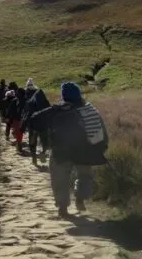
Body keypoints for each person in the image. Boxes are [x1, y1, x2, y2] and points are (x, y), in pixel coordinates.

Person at [28, 82, 109, 217]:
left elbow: (35, 120)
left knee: (59, 179)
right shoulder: (90, 109)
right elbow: (101, 131)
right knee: (85, 176)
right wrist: (102, 147)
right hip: (85, 151)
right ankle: (80, 198)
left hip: (60, 151)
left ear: (64, 96)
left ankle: (62, 207)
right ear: (78, 94)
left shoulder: (57, 109)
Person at [21, 79, 51, 165]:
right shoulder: (41, 95)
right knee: (44, 141)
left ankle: (34, 159)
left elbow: (26, 111)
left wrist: (23, 124)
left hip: (32, 124)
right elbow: (49, 108)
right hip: (43, 124)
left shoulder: (28, 98)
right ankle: (43, 153)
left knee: (32, 142)